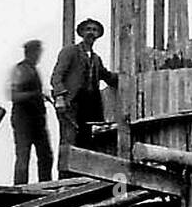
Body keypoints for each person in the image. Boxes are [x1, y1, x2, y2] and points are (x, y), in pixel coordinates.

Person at [50, 18, 119, 149]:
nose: (91, 33)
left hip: (90, 105)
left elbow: (107, 76)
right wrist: (60, 97)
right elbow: (56, 76)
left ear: (98, 34)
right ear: (81, 33)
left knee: (88, 139)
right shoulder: (70, 51)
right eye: (88, 29)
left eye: (94, 30)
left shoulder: (96, 59)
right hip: (72, 103)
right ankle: (66, 170)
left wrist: (124, 78)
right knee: (69, 140)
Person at [9, 39, 54, 184]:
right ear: (31, 53)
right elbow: (14, 95)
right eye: (37, 52)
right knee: (23, 156)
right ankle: (20, 189)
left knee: (45, 155)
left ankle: (45, 186)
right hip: (24, 120)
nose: (39, 55)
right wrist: (36, 95)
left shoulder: (32, 69)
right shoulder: (21, 69)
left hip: (37, 120)